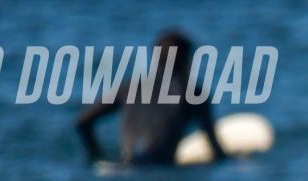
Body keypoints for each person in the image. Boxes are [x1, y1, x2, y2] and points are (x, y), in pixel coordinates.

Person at [75, 29, 226, 167]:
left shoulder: (129, 87)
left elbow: (82, 121)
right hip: (160, 168)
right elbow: (215, 149)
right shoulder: (193, 93)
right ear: (187, 61)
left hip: (122, 166)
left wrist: (98, 159)